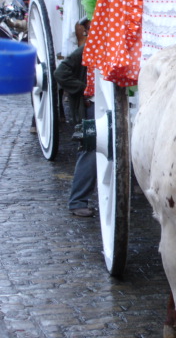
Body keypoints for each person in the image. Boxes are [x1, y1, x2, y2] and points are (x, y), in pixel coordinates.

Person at [53, 19, 96, 217]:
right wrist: (83, 89)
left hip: (101, 105)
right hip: (90, 107)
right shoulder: (85, 50)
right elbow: (60, 73)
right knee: (89, 151)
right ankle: (77, 201)